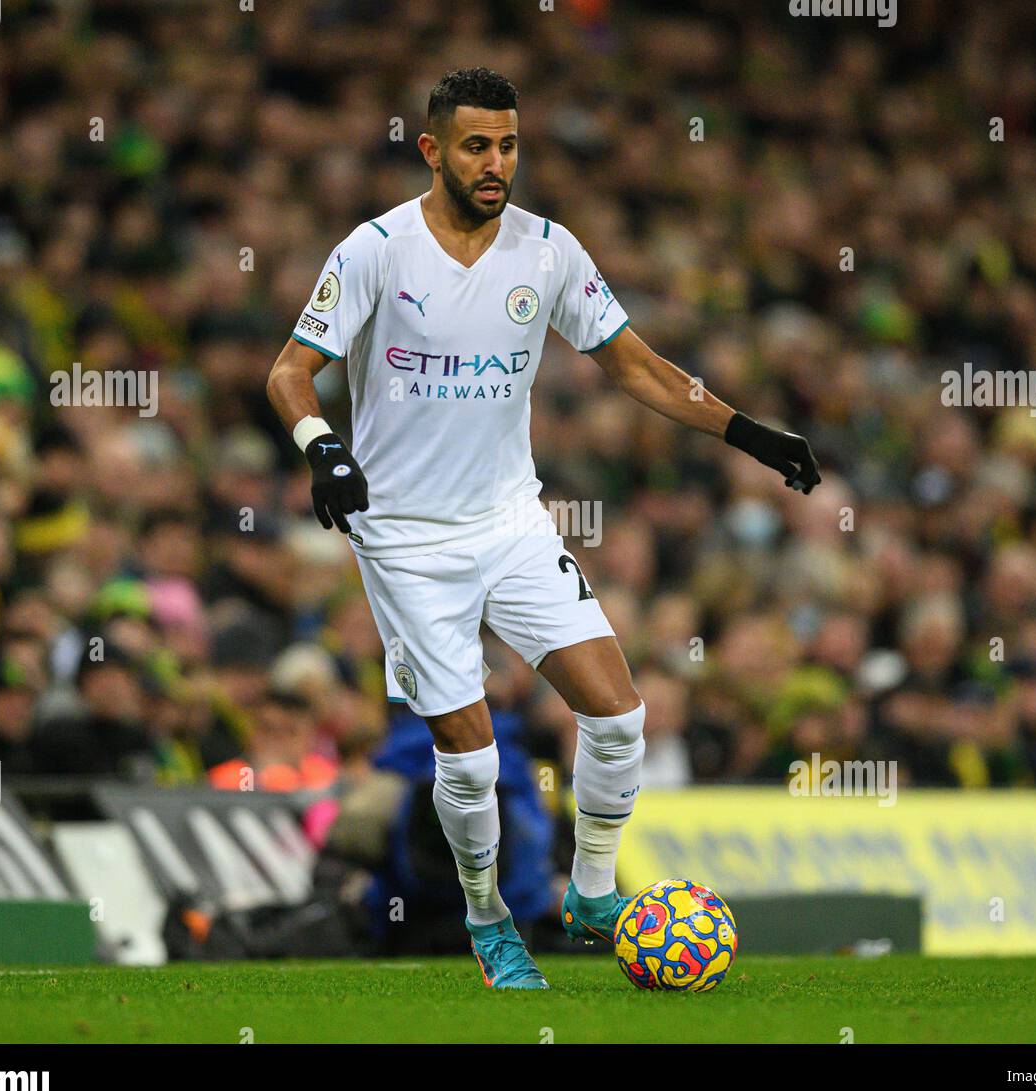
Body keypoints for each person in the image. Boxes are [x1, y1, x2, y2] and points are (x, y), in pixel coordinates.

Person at [265, 67, 820, 989]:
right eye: (477, 146)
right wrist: (323, 450)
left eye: (510, 145)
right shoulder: (374, 251)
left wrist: (746, 430)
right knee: (474, 761)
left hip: (510, 520)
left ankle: (592, 892)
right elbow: (289, 372)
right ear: (433, 150)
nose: (496, 164)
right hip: (404, 538)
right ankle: (489, 923)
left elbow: (637, 369)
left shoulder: (549, 250)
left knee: (619, 715)